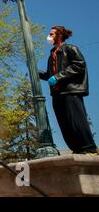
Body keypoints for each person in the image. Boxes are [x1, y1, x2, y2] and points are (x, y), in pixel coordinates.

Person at [39, 25, 97, 155]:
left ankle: (89, 148)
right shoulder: (51, 55)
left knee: (77, 121)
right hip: (57, 94)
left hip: (70, 91)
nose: (49, 36)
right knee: (64, 124)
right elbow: (50, 75)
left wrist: (58, 77)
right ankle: (77, 149)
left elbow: (79, 65)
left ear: (59, 36)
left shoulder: (71, 49)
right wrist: (37, 73)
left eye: (52, 34)